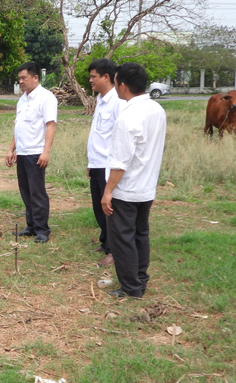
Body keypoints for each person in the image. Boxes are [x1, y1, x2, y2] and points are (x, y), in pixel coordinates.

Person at [102, 62, 167, 298]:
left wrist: (108, 191)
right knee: (141, 235)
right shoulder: (156, 109)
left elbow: (120, 161)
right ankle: (140, 280)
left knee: (122, 239)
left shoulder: (128, 115)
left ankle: (131, 287)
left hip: (126, 190)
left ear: (122, 85)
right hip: (146, 187)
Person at [6, 62, 58, 243]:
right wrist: (12, 149)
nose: (20, 82)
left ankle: (42, 229)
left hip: (36, 152)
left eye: (24, 78)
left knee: (37, 192)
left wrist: (46, 152)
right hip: (22, 152)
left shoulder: (46, 98)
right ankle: (31, 225)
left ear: (35, 78)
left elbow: (50, 125)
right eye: (19, 79)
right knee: (26, 191)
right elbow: (18, 126)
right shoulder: (23, 99)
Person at [86, 59, 125, 267]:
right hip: (96, 163)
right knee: (98, 208)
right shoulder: (100, 101)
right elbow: (98, 135)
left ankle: (113, 251)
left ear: (106, 77)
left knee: (109, 209)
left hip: (109, 166)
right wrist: (90, 162)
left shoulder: (118, 102)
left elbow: (119, 138)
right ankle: (104, 241)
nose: (90, 80)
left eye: (93, 76)